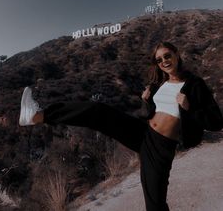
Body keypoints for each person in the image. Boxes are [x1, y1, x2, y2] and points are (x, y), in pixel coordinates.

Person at [19, 42, 223, 211]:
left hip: (161, 146)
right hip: (144, 133)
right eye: (159, 60)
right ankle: (38, 115)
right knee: (97, 111)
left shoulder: (194, 84)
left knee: (154, 203)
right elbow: (153, 114)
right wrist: (147, 101)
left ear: (177, 54)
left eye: (167, 56)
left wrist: (189, 107)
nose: (164, 62)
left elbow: (215, 121)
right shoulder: (162, 84)